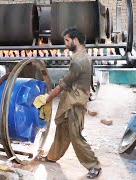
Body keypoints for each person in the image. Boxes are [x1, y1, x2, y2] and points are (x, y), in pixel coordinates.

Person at [35, 27, 101, 179]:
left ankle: (94, 165)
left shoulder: (79, 61)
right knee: (62, 131)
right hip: (71, 100)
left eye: (67, 40)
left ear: (75, 40)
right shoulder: (81, 55)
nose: (65, 43)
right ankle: (52, 156)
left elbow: (63, 84)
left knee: (75, 136)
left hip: (75, 103)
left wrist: (47, 98)